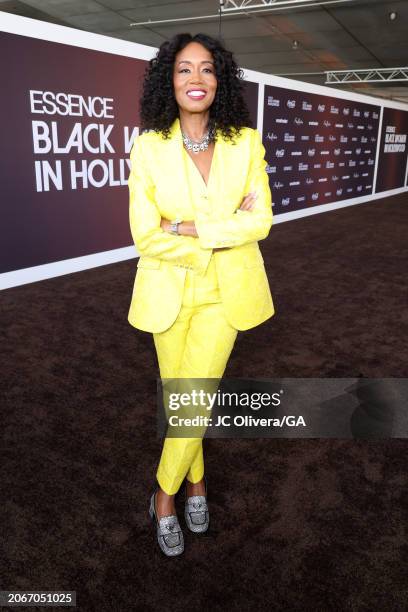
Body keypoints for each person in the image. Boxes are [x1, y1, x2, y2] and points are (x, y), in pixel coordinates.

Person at [127, 32, 275, 556]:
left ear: (221, 81)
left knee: (195, 397)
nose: (196, 79)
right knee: (182, 404)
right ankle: (196, 484)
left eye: (208, 69)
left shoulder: (247, 143)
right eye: (185, 69)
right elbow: (145, 234)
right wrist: (222, 225)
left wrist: (188, 227)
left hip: (226, 294)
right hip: (168, 292)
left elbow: (261, 222)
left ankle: (162, 497)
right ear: (169, 80)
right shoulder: (147, 147)